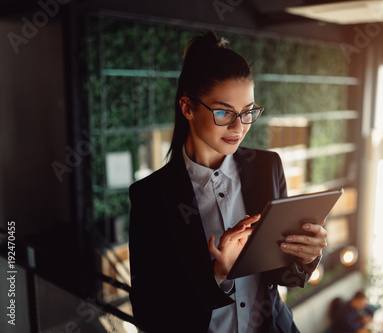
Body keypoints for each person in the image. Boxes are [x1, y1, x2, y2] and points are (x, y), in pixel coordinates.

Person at [128, 31, 328, 332]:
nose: (239, 127)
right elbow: (148, 313)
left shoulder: (267, 166)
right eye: (223, 112)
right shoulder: (152, 197)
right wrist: (217, 275)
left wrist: (306, 257)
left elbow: (285, 279)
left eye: (247, 112)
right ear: (187, 108)